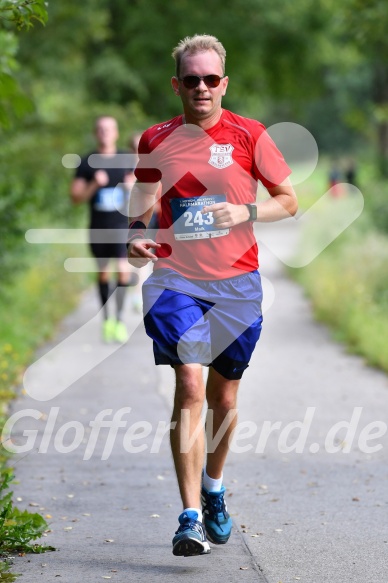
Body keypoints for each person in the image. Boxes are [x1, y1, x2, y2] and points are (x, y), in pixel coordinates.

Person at [127, 34, 298, 557]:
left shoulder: (250, 134)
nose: (201, 87)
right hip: (176, 281)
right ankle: (188, 517)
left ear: (224, 83)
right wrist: (134, 238)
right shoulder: (155, 139)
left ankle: (214, 488)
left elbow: (288, 202)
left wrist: (244, 212)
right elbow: (140, 207)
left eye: (210, 79)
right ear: (176, 84)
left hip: (237, 286)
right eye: (191, 79)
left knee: (224, 397)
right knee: (191, 384)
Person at [70, 116, 137, 343]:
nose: (104, 133)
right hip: (98, 227)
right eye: (100, 129)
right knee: (104, 274)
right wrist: (93, 185)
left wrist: (132, 188)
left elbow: (145, 197)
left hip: (121, 226)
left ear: (116, 133)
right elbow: (76, 198)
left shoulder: (127, 160)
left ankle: (118, 319)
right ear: (94, 133)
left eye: (109, 129)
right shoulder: (87, 162)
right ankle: (106, 319)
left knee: (123, 270)